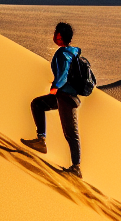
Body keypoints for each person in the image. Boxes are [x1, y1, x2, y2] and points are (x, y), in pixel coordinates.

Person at [21, 21, 87, 177]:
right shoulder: (72, 52)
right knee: (38, 104)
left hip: (66, 96)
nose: (53, 36)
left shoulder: (63, 53)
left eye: (55, 33)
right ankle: (41, 140)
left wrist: (56, 86)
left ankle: (76, 167)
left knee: (71, 133)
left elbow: (63, 73)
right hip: (63, 96)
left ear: (59, 36)